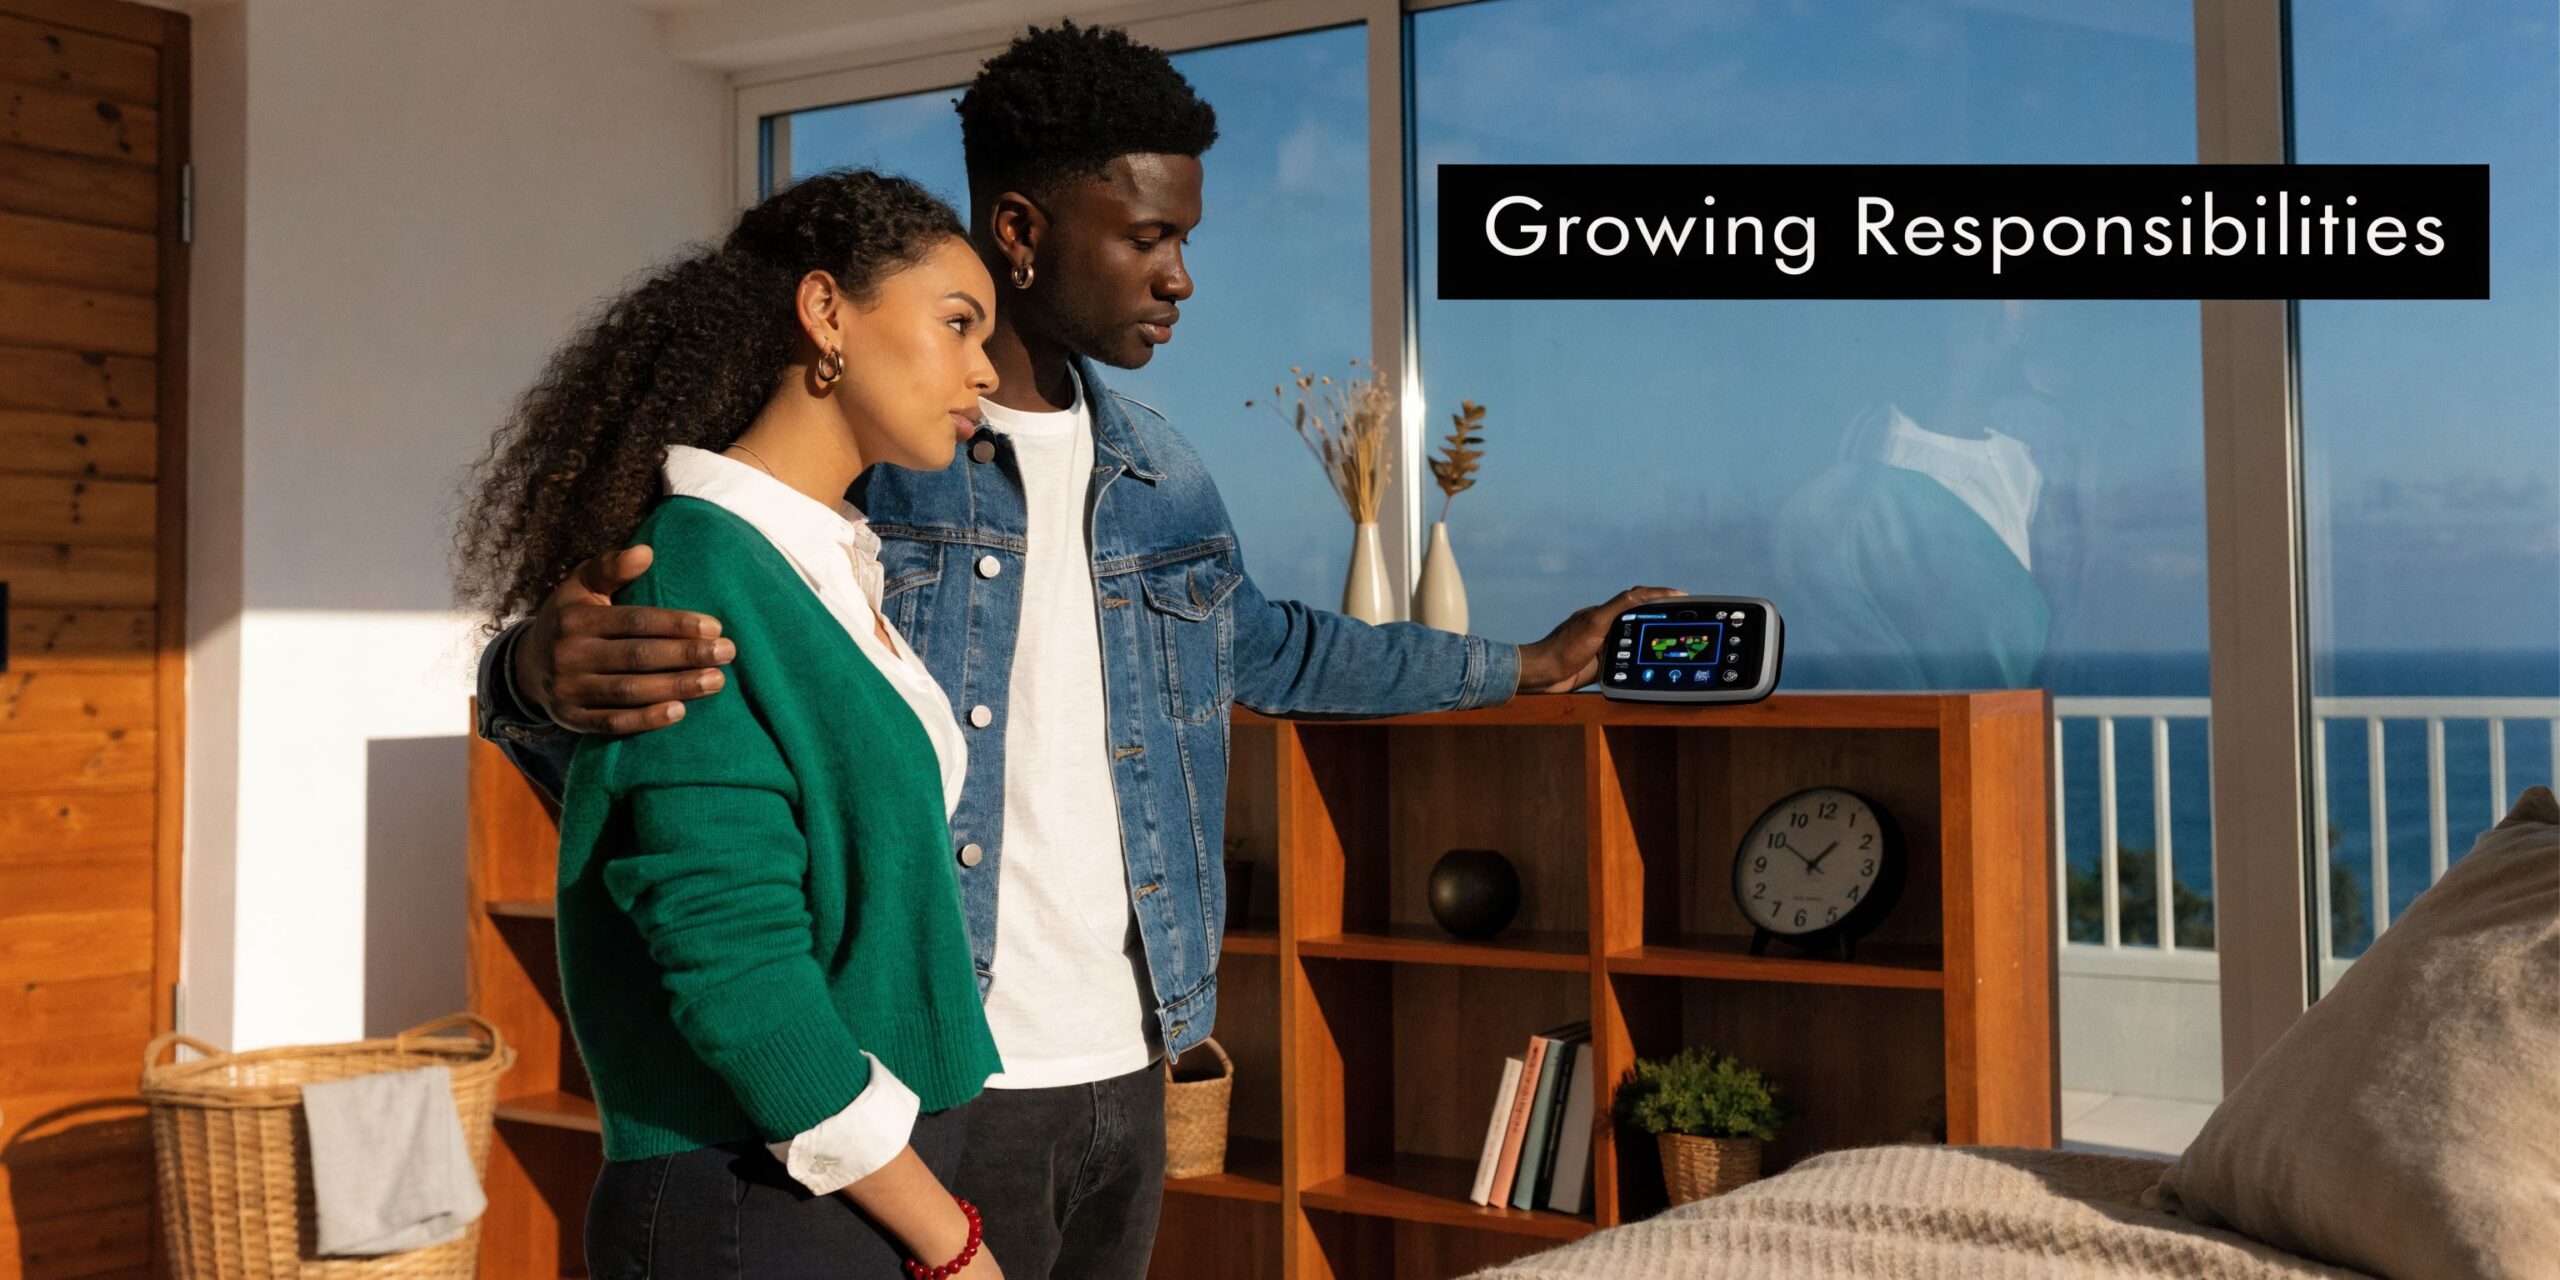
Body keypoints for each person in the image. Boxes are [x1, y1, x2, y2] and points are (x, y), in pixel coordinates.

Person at [471, 23, 1672, 1278]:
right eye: (1148, 237)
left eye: (1186, 241)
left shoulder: (1159, 471)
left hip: (1131, 1061)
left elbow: (1265, 646)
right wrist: (525, 676)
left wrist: (1524, 665)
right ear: (1023, 229)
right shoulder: (864, 462)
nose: (1180, 277)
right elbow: (673, 747)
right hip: (930, 1075)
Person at [454, 170, 1007, 1279]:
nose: (984, 370)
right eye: (957, 324)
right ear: (826, 312)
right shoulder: (701, 567)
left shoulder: (823, 563)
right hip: (763, 1203)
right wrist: (948, 1240)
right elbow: (734, 968)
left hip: (850, 1176)